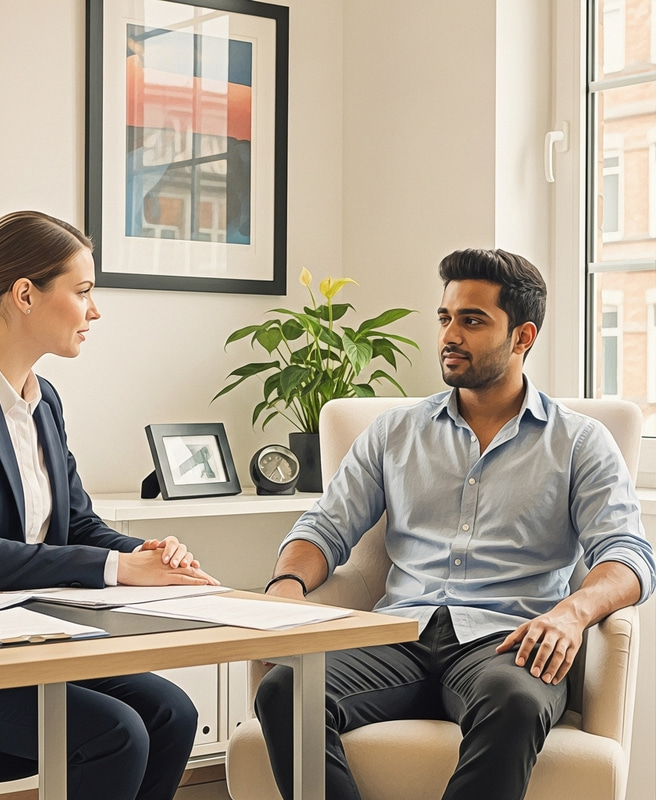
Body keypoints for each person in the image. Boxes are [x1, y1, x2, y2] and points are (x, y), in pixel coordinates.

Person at [255, 248, 656, 800]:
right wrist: (285, 588)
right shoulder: (393, 432)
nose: (450, 335)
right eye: (445, 318)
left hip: (507, 641)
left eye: (472, 321)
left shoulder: (581, 442)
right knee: (286, 689)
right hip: (399, 633)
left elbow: (629, 556)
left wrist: (571, 614)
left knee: (514, 702)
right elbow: (324, 528)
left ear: (523, 336)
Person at [0, 210, 219, 800]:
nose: (95, 311)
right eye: (83, 292)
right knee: (117, 733)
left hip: (7, 637)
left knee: (172, 713)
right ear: (25, 294)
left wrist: (147, 553)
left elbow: (75, 523)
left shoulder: (42, 398)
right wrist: (120, 570)